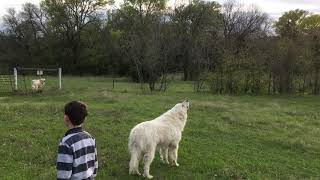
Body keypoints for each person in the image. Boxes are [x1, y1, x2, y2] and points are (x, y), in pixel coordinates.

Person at [57, 101, 98, 180]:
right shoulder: (91, 138)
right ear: (84, 119)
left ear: (66, 118)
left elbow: (63, 174)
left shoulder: (66, 143)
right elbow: (94, 164)